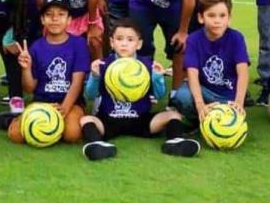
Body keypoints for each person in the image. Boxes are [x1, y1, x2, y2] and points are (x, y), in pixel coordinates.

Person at [79, 19, 200, 161]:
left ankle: (175, 141)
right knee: (86, 119)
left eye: (130, 39)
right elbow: (90, 95)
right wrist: (94, 77)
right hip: (109, 119)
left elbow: (159, 95)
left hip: (140, 119)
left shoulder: (147, 65)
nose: (124, 43)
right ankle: (96, 144)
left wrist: (157, 78)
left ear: (139, 44)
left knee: (173, 115)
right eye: (119, 39)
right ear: (112, 42)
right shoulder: (104, 64)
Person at [0, 0, 87, 145]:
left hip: (69, 103)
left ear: (69, 20)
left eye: (61, 15)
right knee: (16, 135)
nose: (55, 19)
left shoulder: (78, 44)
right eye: (49, 15)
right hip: (42, 102)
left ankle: (56, 126)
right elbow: (29, 88)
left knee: (71, 135)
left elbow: (77, 82)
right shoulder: (36, 47)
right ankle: (12, 119)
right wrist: (26, 69)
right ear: (42, 20)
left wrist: (64, 109)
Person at [171, 0, 249, 130]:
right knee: (181, 95)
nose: (217, 21)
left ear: (229, 18)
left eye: (222, 16)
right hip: (205, 92)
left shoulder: (237, 38)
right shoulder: (194, 39)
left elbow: (243, 73)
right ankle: (198, 119)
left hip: (228, 95)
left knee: (230, 120)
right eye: (211, 15)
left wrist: (239, 101)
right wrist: (200, 104)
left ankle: (219, 115)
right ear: (201, 18)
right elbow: (192, 74)